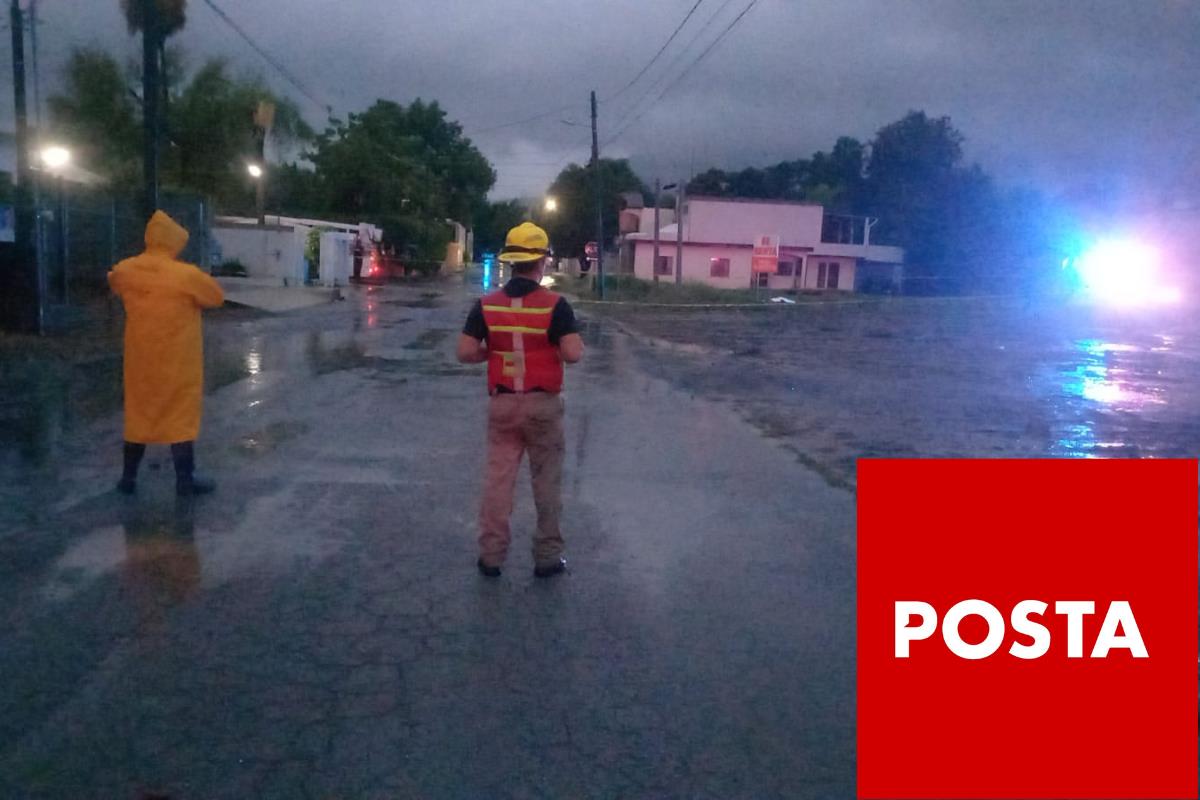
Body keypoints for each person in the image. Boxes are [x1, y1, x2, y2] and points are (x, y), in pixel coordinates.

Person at [457, 222, 584, 578]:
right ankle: (546, 557)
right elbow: (573, 354)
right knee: (546, 484)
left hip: (503, 405)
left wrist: (491, 354)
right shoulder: (556, 305)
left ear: (512, 260)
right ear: (541, 261)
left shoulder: (486, 305)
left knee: (498, 482)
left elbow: (465, 351)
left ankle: (491, 557)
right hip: (543, 407)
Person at [108, 211, 225, 496]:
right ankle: (185, 479)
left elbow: (114, 279)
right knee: (179, 417)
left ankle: (128, 478)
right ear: (174, 242)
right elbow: (215, 297)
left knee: (138, 414)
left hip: (140, 359)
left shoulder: (126, 270)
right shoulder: (185, 275)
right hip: (178, 360)